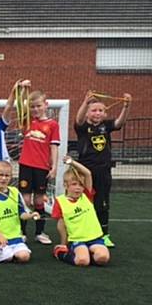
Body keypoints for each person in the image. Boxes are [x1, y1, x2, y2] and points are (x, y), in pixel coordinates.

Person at [74, 91, 132, 248]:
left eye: (100, 110)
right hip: (85, 172)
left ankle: (104, 234)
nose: (97, 113)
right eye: (94, 110)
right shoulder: (83, 127)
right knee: (85, 202)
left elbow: (120, 123)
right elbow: (78, 120)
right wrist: (86, 102)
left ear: (105, 113)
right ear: (87, 113)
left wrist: (126, 106)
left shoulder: (106, 126)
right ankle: (84, 231)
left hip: (103, 171)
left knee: (102, 203)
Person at [17, 90, 60, 245]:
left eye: (38, 106)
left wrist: (54, 167)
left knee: (39, 200)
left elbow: (54, 147)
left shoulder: (53, 125)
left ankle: (39, 232)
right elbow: (19, 106)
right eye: (32, 106)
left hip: (42, 167)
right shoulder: (27, 121)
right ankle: (21, 232)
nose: (35, 109)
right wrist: (23, 90)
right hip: (26, 165)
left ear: (46, 105)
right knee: (25, 199)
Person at [51, 156, 110, 266]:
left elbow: (87, 173)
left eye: (81, 185)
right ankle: (59, 253)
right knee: (82, 261)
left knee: (103, 258)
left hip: (95, 237)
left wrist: (72, 162)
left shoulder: (86, 196)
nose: (78, 188)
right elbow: (61, 225)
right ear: (65, 185)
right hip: (77, 239)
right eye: (74, 184)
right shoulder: (60, 201)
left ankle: (89, 252)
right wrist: (63, 244)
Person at [0, 160, 40, 263]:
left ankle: (13, 251)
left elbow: (22, 213)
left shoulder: (15, 192)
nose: (4, 178)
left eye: (7, 175)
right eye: (0, 175)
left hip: (15, 237)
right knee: (7, 257)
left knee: (24, 257)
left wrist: (30, 215)